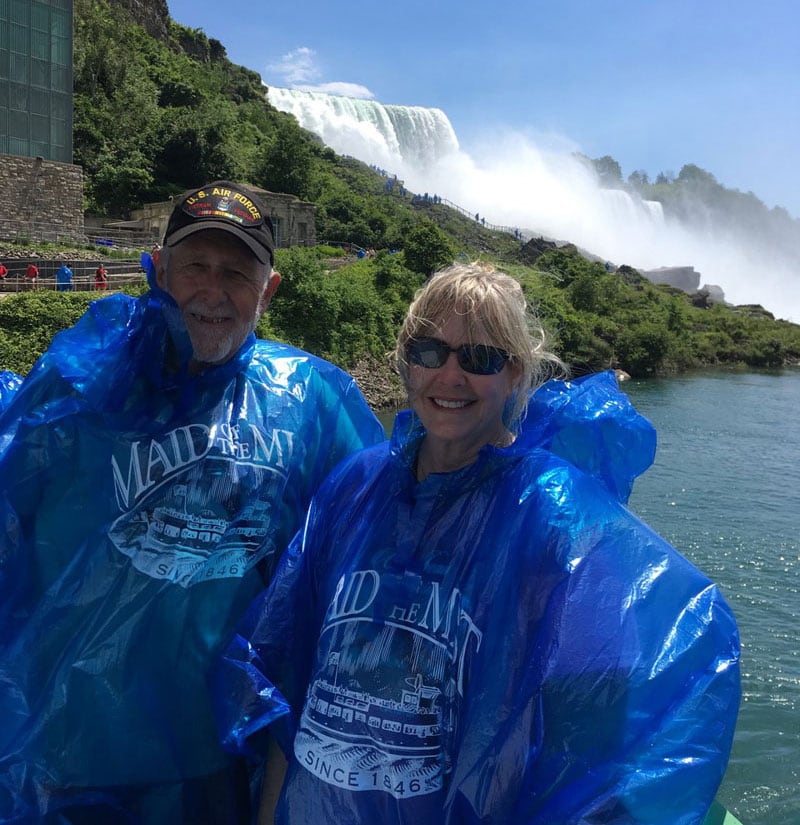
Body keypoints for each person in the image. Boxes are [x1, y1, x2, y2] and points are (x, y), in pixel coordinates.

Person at [215, 262, 741, 824]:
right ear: (406, 361)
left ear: (514, 374)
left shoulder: (551, 512)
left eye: (480, 359)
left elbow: (651, 674)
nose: (451, 375)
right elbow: (289, 672)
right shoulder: (355, 486)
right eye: (430, 351)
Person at [0, 180, 385, 823]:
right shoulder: (78, 381)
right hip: (61, 753)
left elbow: (380, 537)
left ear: (269, 290)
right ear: (157, 270)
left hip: (213, 766)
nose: (214, 290)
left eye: (237, 273)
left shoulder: (314, 401)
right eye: (195, 267)